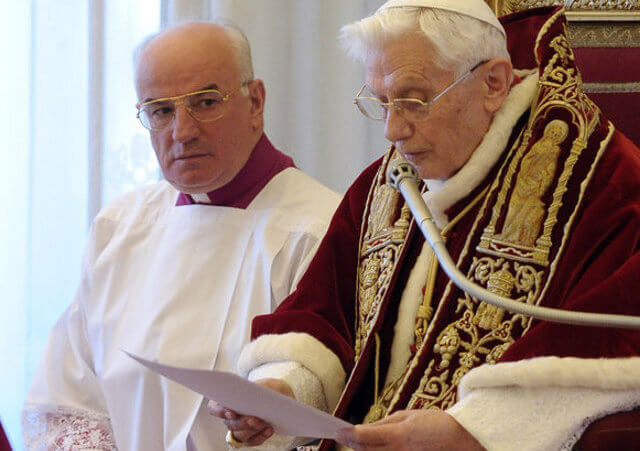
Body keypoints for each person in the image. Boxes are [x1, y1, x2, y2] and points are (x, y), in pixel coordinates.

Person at [211, 1, 640, 450]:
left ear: (493, 83)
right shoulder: (384, 184)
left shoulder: (601, 181)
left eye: (413, 100)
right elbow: (325, 317)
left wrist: (471, 433)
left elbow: (609, 348)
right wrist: (283, 391)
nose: (392, 131)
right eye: (380, 102)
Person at [21, 21, 340, 450]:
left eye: (206, 102)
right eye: (160, 111)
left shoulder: (321, 230)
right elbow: (68, 403)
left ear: (256, 101)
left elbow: (334, 410)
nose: (182, 131)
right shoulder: (119, 229)